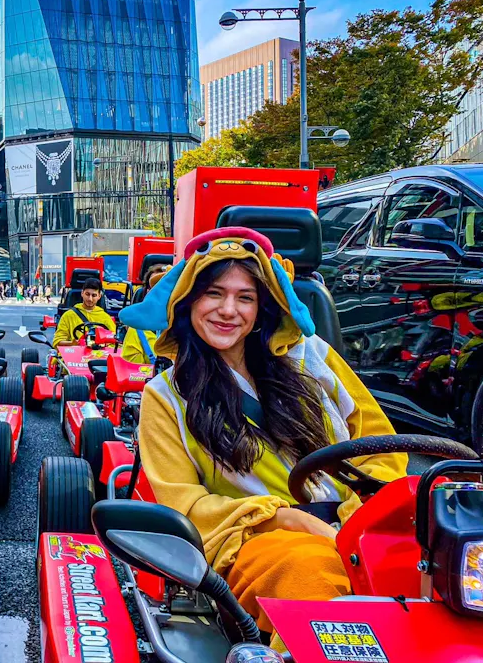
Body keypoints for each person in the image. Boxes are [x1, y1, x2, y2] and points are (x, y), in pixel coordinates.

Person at [119, 227, 406, 652]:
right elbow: (186, 503)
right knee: (311, 572)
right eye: (214, 293)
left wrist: (361, 511)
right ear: (188, 301)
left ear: (262, 308)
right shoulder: (165, 395)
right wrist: (282, 518)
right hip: (259, 538)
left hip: (356, 523)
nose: (228, 310)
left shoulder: (313, 357)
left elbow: (379, 443)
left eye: (245, 297)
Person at [121, 264, 169, 364]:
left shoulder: (188, 327)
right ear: (147, 292)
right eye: (152, 287)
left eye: (163, 287)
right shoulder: (136, 330)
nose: (158, 292)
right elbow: (132, 374)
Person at [53, 277, 116, 346]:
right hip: (73, 354)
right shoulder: (68, 315)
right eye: (87, 294)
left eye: (94, 295)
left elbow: (115, 341)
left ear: (99, 296)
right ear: (82, 293)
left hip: (100, 355)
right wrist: (72, 343)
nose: (90, 299)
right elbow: (57, 341)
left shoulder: (105, 317)